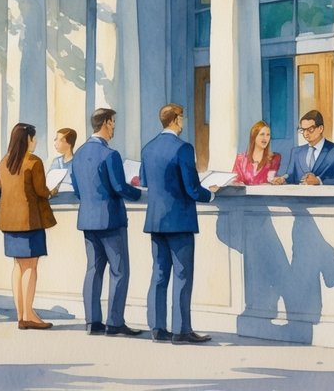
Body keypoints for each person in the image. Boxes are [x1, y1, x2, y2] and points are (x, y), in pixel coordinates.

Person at [141, 104, 218, 344]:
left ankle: (157, 328)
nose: (183, 121)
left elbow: (144, 181)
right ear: (176, 120)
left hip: (156, 220)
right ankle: (182, 330)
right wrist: (212, 193)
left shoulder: (148, 147)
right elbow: (193, 189)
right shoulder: (183, 148)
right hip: (180, 221)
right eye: (182, 117)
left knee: (159, 274)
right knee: (183, 275)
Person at [72, 108, 143, 337]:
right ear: (105, 123)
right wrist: (138, 193)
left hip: (88, 219)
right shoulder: (110, 155)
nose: (114, 128)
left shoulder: (79, 154)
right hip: (111, 220)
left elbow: (77, 189)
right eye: (112, 123)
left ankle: (92, 321)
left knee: (93, 270)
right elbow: (120, 187)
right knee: (119, 271)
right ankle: (114, 322)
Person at [0, 123, 56, 331]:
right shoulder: (34, 162)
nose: (36, 141)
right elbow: (41, 191)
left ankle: (20, 314)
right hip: (29, 221)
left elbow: (1, 188)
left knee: (17, 267)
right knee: (31, 266)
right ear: (26, 140)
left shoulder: (4, 163)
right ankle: (28, 314)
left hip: (9, 221)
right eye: (34, 138)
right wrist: (52, 191)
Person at [270, 110, 334, 186]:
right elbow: (290, 175)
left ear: (320, 128)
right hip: (300, 197)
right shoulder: (296, 152)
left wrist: (319, 181)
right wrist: (283, 179)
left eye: (310, 129)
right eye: (303, 130)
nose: (305, 134)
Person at [233, 121, 281, 186]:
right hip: (245, 195)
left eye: (268, 135)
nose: (265, 138)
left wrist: (277, 181)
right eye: (262, 134)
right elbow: (235, 181)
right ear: (254, 136)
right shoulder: (241, 159)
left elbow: (271, 180)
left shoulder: (274, 158)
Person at [48, 128, 78, 196]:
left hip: (73, 198)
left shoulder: (78, 162)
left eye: (59, 140)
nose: (55, 143)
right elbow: (49, 183)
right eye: (55, 139)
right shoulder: (56, 161)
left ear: (69, 143)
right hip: (55, 198)